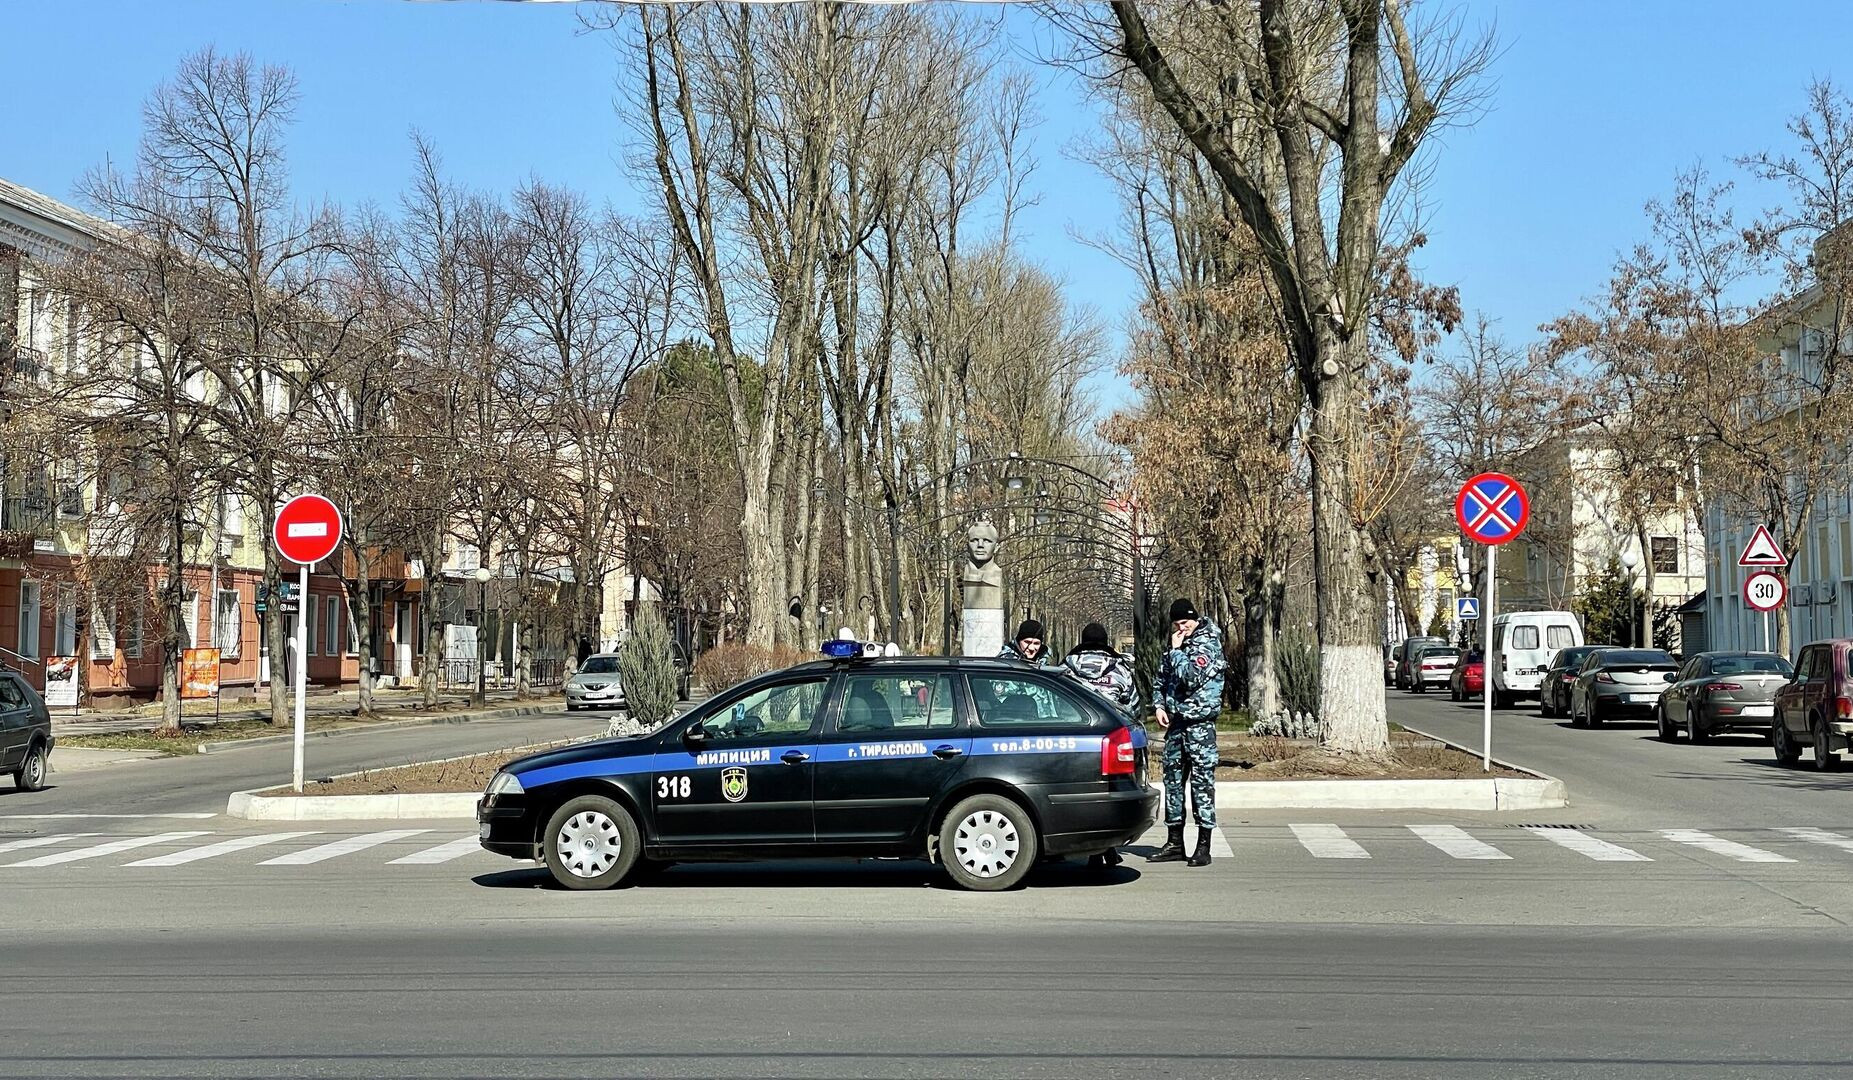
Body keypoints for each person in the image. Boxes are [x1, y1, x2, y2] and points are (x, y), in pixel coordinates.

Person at [1147, 597, 1226, 868]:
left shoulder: (1208, 643)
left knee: (1202, 786)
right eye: (1178, 624)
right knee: (1173, 782)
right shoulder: (1176, 645)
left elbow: (1191, 676)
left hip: (1200, 724)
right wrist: (1159, 704)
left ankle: (1204, 845)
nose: (1183, 628)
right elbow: (1161, 677)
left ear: (1195, 619)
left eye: (1186, 622)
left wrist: (1177, 650)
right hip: (1177, 724)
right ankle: (1174, 842)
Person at [1061, 622, 1136, 712]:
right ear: (1105, 642)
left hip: (1072, 722)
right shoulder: (1120, 670)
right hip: (1111, 722)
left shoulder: (1064, 669)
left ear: (1083, 641)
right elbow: (1133, 705)